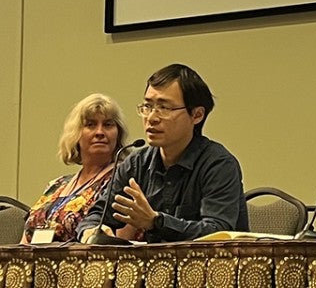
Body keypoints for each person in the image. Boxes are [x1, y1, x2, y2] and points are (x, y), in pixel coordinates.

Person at [78, 64, 248, 243]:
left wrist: (156, 222)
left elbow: (218, 233)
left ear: (196, 115)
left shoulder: (218, 164)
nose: (151, 117)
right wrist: (91, 230)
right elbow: (98, 214)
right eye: (147, 106)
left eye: (164, 108)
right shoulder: (137, 163)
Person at [21, 94, 129, 243]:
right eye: (90, 124)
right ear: (75, 134)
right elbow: (25, 240)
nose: (100, 132)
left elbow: (123, 247)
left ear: (118, 133)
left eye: (108, 125)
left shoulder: (122, 180)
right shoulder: (56, 185)